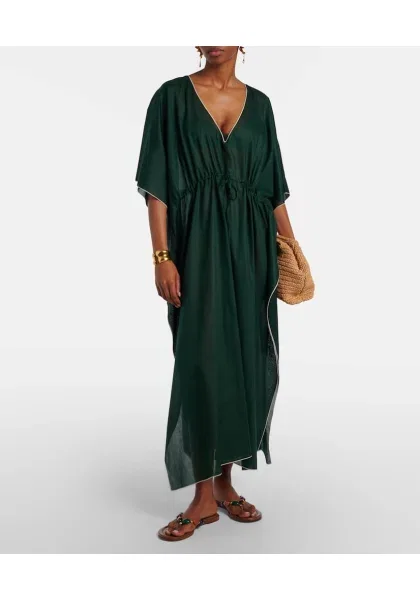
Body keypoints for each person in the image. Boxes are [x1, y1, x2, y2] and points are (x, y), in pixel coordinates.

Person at [135, 46, 295, 542]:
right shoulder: (171, 98)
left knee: (243, 357)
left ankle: (225, 484)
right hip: (197, 245)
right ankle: (201, 495)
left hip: (252, 250)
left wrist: (293, 250)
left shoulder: (261, 105)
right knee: (201, 359)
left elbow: (273, 190)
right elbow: (157, 186)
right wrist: (162, 256)